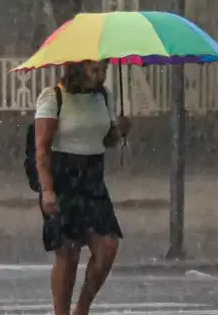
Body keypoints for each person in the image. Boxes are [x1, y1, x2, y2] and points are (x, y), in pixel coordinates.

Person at [34, 61, 130, 315]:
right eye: (94, 71)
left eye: (104, 71)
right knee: (68, 253)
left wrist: (119, 130)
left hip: (92, 178)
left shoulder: (104, 97)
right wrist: (47, 190)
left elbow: (106, 139)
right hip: (63, 177)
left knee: (108, 247)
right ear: (78, 68)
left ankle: (82, 308)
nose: (100, 77)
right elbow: (42, 147)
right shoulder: (54, 96)